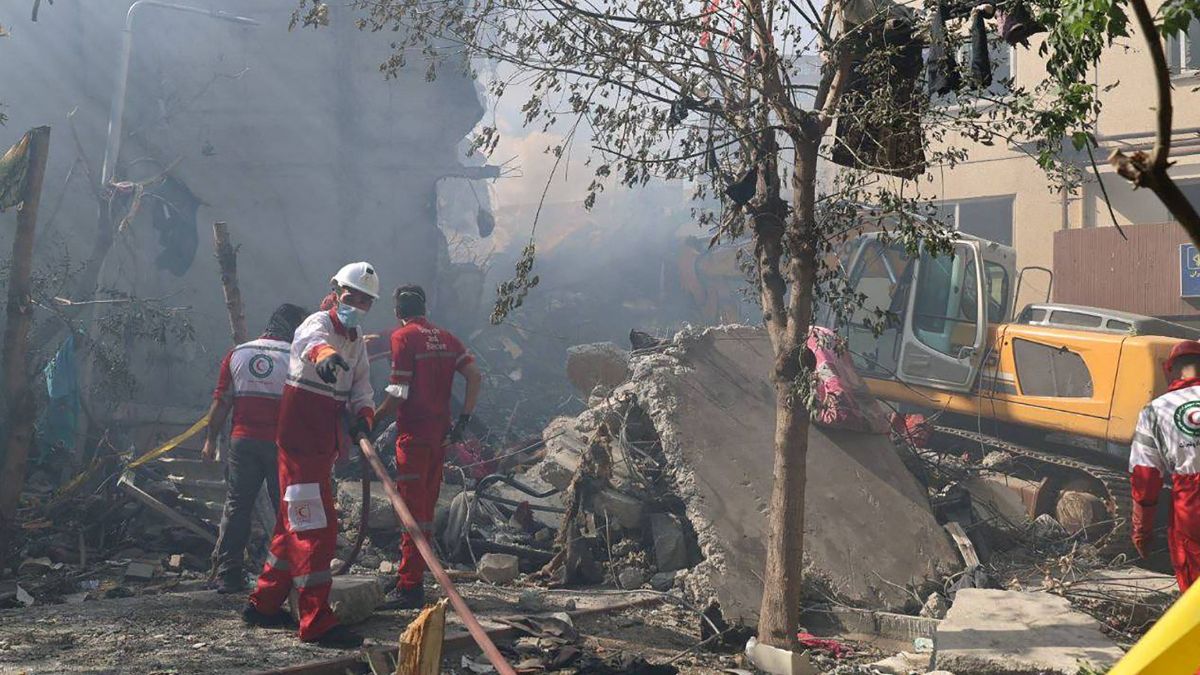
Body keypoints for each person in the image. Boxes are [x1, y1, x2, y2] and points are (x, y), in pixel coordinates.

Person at [242, 262, 379, 648]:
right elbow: (308, 344)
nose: (358, 304)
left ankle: (265, 604)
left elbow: (362, 389)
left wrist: (364, 418)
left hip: (322, 447)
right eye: (353, 297)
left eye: (366, 301)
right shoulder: (316, 324)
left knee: (291, 527)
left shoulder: (356, 341)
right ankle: (316, 621)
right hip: (300, 443)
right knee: (315, 530)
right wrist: (324, 357)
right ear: (336, 292)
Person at [375, 284, 482, 609]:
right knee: (425, 509)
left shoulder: (403, 338)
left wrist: (372, 419)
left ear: (397, 312)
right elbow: (475, 376)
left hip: (413, 437)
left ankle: (410, 586)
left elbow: (398, 392)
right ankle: (414, 573)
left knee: (410, 511)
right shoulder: (447, 337)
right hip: (439, 437)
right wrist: (463, 421)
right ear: (425, 307)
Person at [203, 303, 308, 594]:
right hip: (282, 446)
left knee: (237, 506)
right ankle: (288, 575)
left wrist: (210, 440)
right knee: (285, 509)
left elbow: (221, 402)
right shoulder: (297, 357)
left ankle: (229, 574)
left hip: (243, 442)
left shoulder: (238, 353)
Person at [1130, 340, 1200, 591]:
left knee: (1194, 586)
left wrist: (1142, 530)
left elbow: (1145, 477)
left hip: (1190, 506)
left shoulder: (1155, 411)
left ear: (1171, 370)